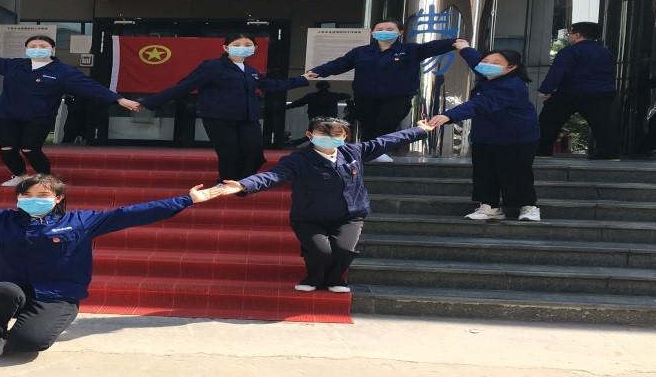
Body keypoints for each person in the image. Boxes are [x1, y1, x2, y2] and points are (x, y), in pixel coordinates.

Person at [0, 170, 227, 358]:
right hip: (13, 288)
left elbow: (130, 214)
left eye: (42, 195)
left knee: (29, 344)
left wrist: (187, 199)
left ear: (57, 199)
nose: (33, 200)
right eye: (26, 195)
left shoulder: (81, 222)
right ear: (18, 198)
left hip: (57, 295)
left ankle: (29, 327)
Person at [217, 117, 436, 293]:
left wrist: (420, 130)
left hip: (349, 214)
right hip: (309, 217)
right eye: (323, 134)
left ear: (345, 136)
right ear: (310, 135)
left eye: (337, 135)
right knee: (320, 251)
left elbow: (388, 140)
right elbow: (272, 176)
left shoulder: (354, 152)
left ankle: (335, 278)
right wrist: (243, 185)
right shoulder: (297, 160)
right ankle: (313, 277)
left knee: (343, 249)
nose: (330, 139)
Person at [0, 36, 141, 186]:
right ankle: (20, 176)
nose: (37, 48)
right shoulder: (14, 65)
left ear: (52, 50)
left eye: (42, 46)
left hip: (39, 118)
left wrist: (119, 100)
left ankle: (47, 178)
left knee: (29, 148)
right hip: (7, 114)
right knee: (7, 149)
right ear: (27, 49)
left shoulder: (63, 72)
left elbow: (91, 87)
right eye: (33, 46)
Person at [135, 34, 316, 182]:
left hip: (248, 118)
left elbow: (271, 85)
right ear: (226, 48)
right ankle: (228, 182)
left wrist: (301, 79)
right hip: (219, 118)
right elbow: (184, 86)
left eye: (248, 44)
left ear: (254, 48)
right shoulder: (212, 67)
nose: (242, 47)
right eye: (237, 44)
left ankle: (243, 181)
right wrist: (148, 102)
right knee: (229, 153)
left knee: (254, 151)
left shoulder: (250, 71)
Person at [307, 19, 458, 162]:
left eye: (390, 29)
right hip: (365, 96)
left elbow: (431, 47)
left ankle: (378, 152)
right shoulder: (361, 52)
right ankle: (369, 154)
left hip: (397, 97)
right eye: (380, 29)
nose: (384, 31)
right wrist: (318, 71)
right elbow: (340, 64)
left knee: (387, 123)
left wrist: (456, 42)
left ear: (400, 32)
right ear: (372, 32)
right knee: (368, 125)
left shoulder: (410, 50)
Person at [427, 42, 541, 221]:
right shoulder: (490, 74)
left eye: (496, 63)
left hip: (516, 138)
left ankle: (528, 206)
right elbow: (476, 61)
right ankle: (489, 206)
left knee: (516, 173)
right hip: (485, 135)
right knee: (484, 172)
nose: (488, 65)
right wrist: (464, 48)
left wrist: (448, 116)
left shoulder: (512, 85)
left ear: (511, 68)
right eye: (486, 61)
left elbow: (480, 104)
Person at [536, 22, 618, 159]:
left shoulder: (570, 51)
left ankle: (541, 150)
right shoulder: (606, 53)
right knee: (602, 124)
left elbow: (557, 72)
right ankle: (608, 152)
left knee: (549, 121)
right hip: (600, 93)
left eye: (570, 33)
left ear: (578, 35)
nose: (569, 36)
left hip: (571, 92)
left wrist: (546, 90)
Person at [286, 80, 351, 120]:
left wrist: (286, 107)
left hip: (315, 119)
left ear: (318, 87)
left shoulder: (311, 96)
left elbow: (298, 103)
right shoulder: (334, 95)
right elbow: (348, 96)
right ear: (328, 87)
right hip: (330, 119)